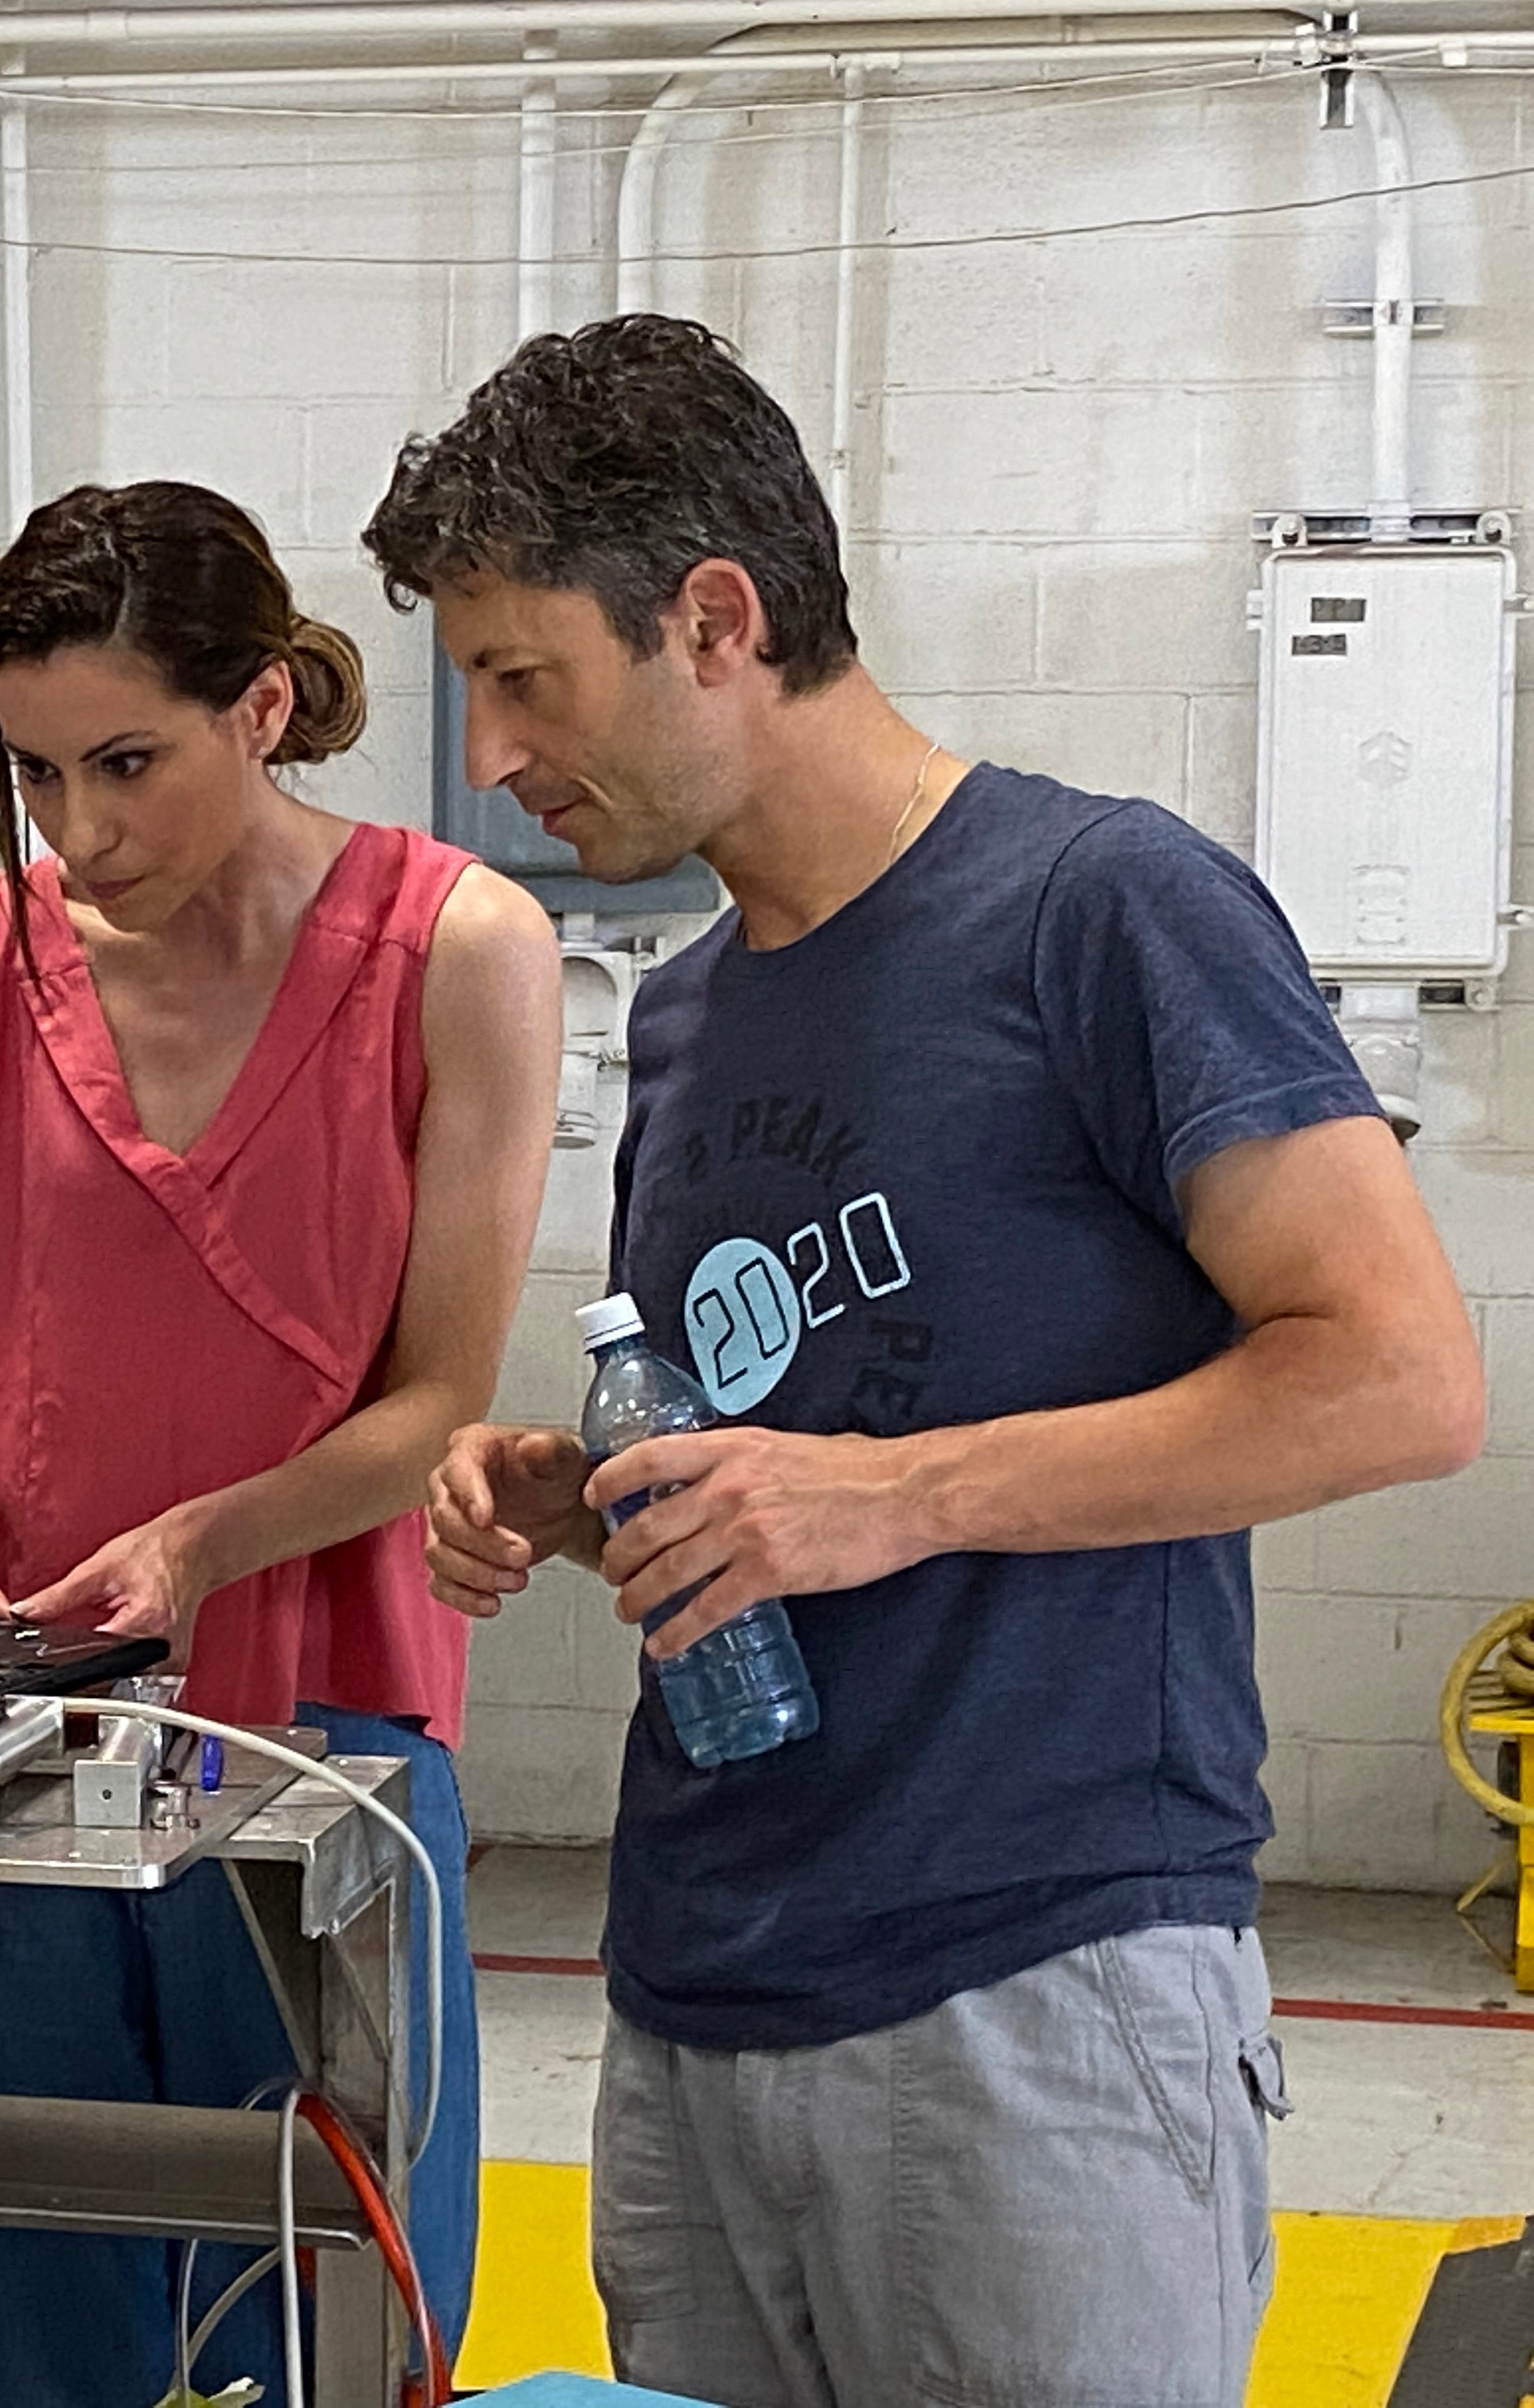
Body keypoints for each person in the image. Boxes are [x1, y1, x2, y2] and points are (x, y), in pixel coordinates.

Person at [370, 315, 1487, 2408]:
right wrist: (592, 1496)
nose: (494, 752)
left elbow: (1401, 1376)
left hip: (1029, 1990)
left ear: (716, 620)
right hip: (696, 1998)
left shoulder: (1099, 909)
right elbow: (786, 1460)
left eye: (526, 677)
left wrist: (898, 1495)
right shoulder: (687, 1016)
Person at [0, 479, 561, 2406]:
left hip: (316, 1738)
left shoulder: (456, 950)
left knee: (324, 2308)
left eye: (127, 763)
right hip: (14, 1742)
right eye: (36, 775)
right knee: (33, 2307)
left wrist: (208, 1541)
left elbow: (436, 1398)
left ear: (263, 708)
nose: (81, 831)